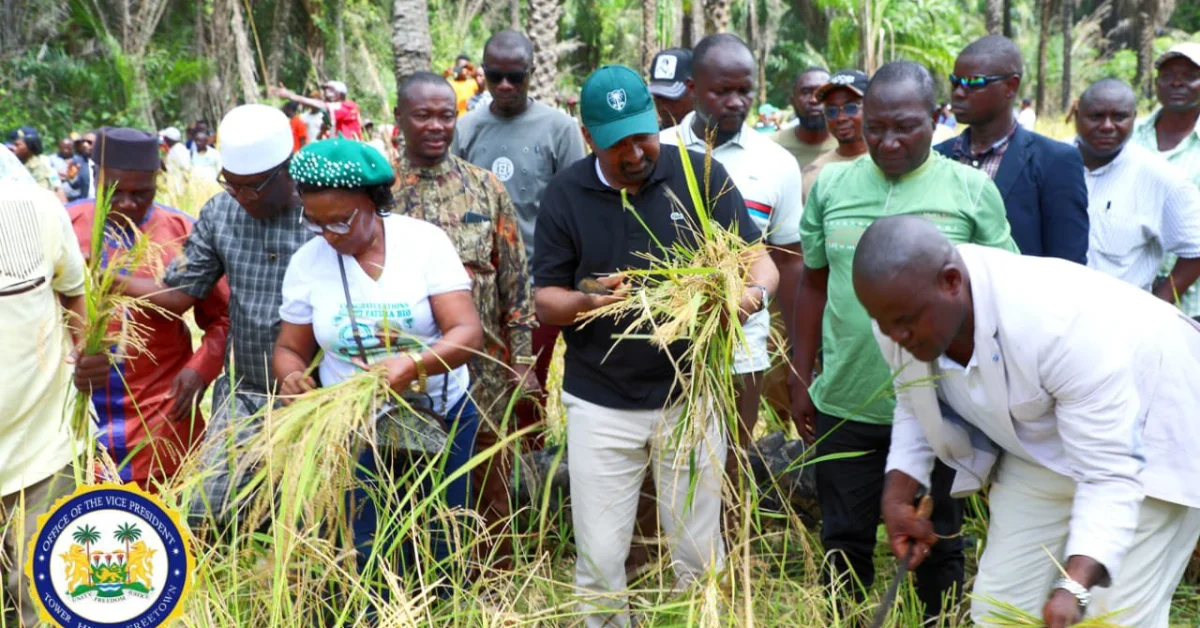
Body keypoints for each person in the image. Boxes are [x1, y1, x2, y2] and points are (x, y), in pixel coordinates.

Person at [856, 215, 1200, 628]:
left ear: (951, 282)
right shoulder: (899, 313)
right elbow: (916, 401)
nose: (897, 337)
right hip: (1040, 445)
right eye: (884, 322)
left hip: (1153, 431)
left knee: (1113, 617)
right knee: (1000, 608)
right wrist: (897, 495)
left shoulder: (1053, 323)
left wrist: (1073, 587)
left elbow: (1110, 474)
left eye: (905, 322)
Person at [533, 64, 777, 628]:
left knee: (696, 554)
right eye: (617, 143)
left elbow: (756, 259)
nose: (636, 153)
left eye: (643, 136)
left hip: (691, 397)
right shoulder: (566, 194)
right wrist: (588, 302)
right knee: (600, 559)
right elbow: (546, 298)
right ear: (587, 135)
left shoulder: (699, 175)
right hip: (600, 401)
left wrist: (753, 295)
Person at [791, 61, 1018, 620]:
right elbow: (813, 282)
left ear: (937, 118)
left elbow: (1001, 294)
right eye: (876, 128)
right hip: (846, 395)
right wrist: (802, 375)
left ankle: (940, 618)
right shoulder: (833, 185)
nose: (888, 141)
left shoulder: (970, 190)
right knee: (843, 536)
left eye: (906, 127)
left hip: (942, 404)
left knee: (936, 538)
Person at [272, 137, 483, 590]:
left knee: (441, 540)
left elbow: (466, 334)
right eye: (316, 224)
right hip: (354, 431)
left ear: (374, 202)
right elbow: (290, 347)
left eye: (342, 221)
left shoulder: (424, 243)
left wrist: (414, 365)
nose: (329, 235)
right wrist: (291, 375)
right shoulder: (308, 263)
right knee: (366, 547)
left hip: (438, 419)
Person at [120, 104, 313, 524]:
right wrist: (109, 280)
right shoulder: (220, 213)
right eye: (233, 185)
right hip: (245, 392)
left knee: (304, 518)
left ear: (287, 168)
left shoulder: (323, 213)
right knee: (205, 513)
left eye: (254, 188)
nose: (242, 198)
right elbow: (179, 294)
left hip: (314, 394)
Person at [391, 72, 537, 564]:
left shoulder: (485, 188)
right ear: (399, 120)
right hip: (404, 368)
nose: (436, 125)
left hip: (485, 368)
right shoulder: (380, 194)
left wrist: (522, 359)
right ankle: (419, 575)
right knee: (408, 476)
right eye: (423, 115)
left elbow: (515, 281)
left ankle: (491, 583)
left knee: (490, 478)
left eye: (446, 115)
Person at [659, 32, 803, 489]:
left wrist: (798, 350)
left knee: (730, 459)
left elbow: (789, 259)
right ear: (692, 88)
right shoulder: (656, 152)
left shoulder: (776, 163)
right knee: (662, 458)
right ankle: (656, 557)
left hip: (743, 349)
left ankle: (725, 554)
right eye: (722, 91)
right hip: (664, 343)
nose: (736, 102)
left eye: (745, 90)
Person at [66, 128, 231, 491]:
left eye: (141, 193)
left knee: (165, 534)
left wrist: (200, 370)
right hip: (71, 422)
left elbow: (224, 316)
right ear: (95, 177)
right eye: (115, 191)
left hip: (161, 414)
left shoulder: (183, 231)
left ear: (158, 180)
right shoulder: (62, 227)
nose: (126, 203)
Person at [452, 29, 587, 428]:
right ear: (483, 76)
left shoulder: (559, 129)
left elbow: (577, 207)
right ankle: (487, 479)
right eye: (495, 77)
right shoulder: (466, 128)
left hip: (539, 287)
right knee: (479, 391)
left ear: (532, 72)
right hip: (480, 288)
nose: (506, 86)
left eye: (517, 76)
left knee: (528, 389)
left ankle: (527, 478)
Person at [0, 161, 89, 627]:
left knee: (42, 595)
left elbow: (74, 293)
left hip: (41, 444)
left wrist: (84, 350)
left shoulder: (35, 210)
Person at [937, 35, 1089, 263]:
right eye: (955, 81)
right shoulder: (938, 156)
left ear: (1011, 86)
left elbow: (1068, 262)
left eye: (972, 82)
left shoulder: (1055, 161)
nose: (959, 92)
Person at [1074, 78, 1200, 299]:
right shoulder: (1049, 161)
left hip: (1121, 323)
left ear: (1134, 118)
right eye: (1095, 116)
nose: (1107, 126)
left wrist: (1158, 304)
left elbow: (1195, 251)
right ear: (1076, 115)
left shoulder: (1162, 178)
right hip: (1050, 319)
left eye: (1119, 117)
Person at [1132, 42, 1200, 321]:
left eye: (1189, 74)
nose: (1176, 82)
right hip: (1127, 294)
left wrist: (1163, 299)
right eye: (1168, 74)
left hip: (1193, 305)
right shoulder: (1128, 137)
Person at [802, 69, 870, 199]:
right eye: (831, 111)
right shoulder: (814, 174)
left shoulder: (889, 163)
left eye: (851, 108)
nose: (841, 118)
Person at [771, 67, 837, 168]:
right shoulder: (771, 147)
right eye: (805, 92)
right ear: (793, 101)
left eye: (822, 93)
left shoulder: (851, 147)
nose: (814, 100)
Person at [273, 80, 362, 140]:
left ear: (340, 94)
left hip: (352, 150)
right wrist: (323, 130)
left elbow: (322, 105)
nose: (326, 93)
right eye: (325, 90)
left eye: (330, 90)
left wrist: (290, 95)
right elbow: (319, 139)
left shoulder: (349, 106)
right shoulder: (330, 117)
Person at [7, 127, 66, 202]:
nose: (13, 148)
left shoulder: (38, 164)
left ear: (30, 146)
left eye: (17, 145)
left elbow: (43, 194)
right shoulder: (17, 165)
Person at [648, 48, 695, 129]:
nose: (663, 107)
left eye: (671, 98)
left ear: (694, 89)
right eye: (658, 97)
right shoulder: (653, 139)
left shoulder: (716, 136)